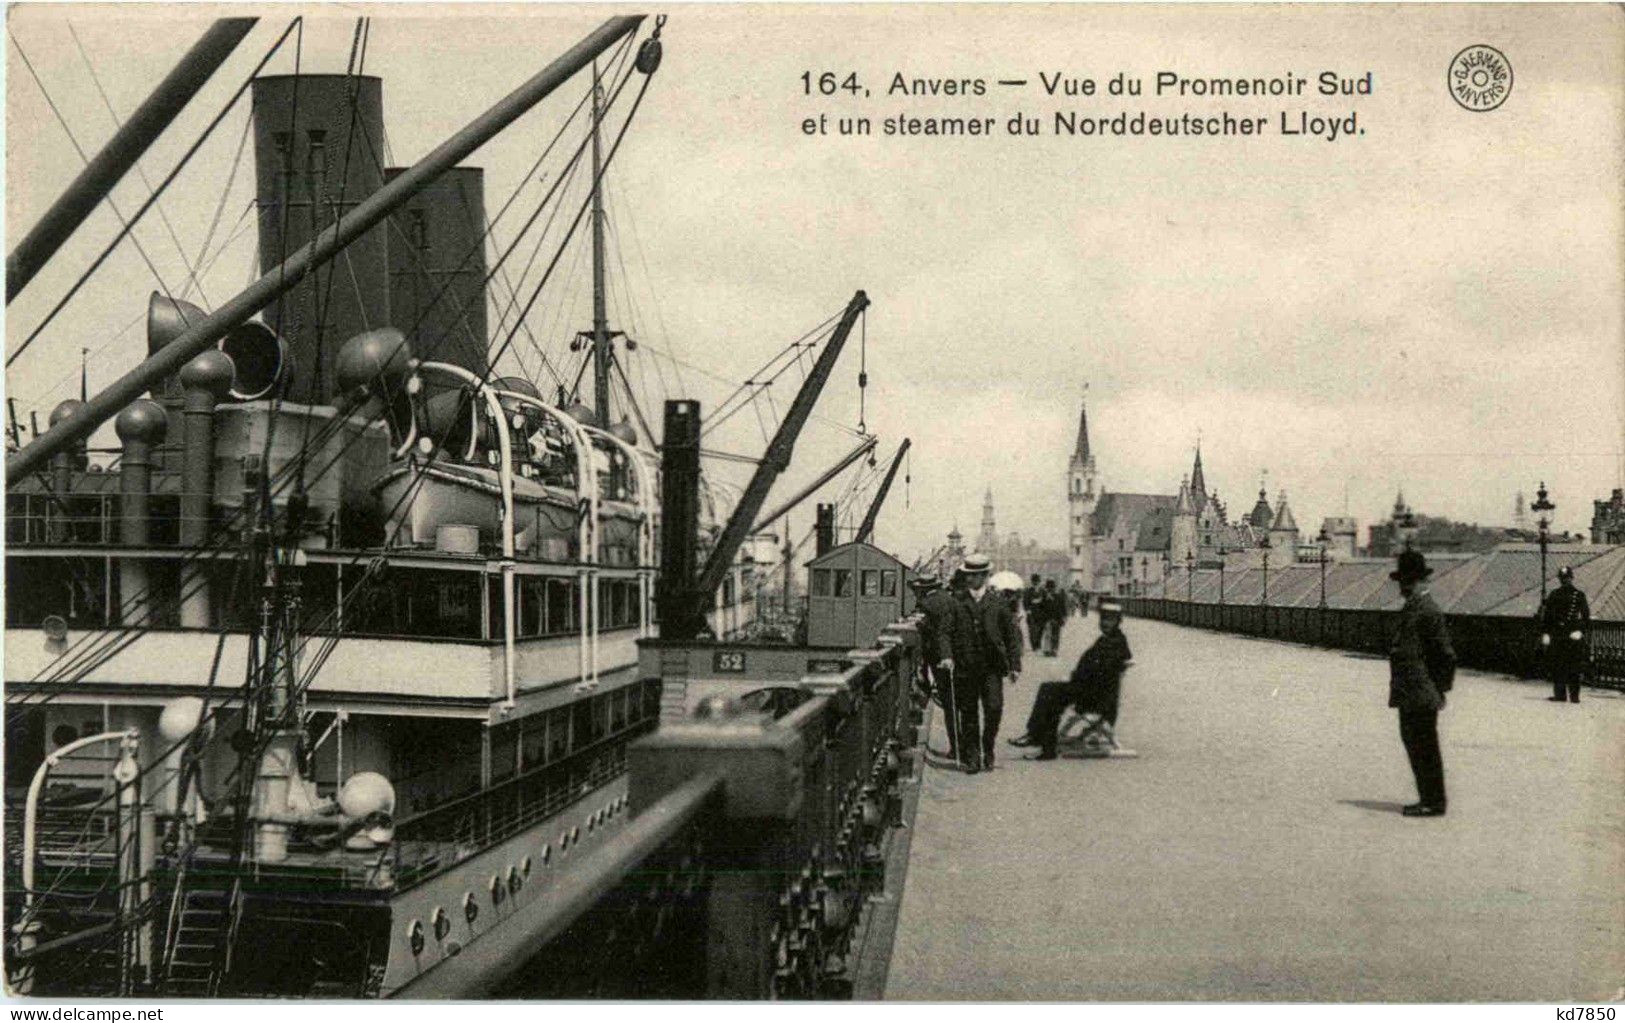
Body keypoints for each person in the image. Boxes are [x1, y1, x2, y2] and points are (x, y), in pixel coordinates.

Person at [1009, 597, 1133, 759]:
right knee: (1049, 689)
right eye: (1103, 619)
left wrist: (1076, 680)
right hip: (1091, 691)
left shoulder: (1115, 642)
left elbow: (1099, 670)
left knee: (1050, 693)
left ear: (1118, 621)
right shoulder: (1110, 639)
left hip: (1096, 697)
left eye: (1109, 620)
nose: (1104, 623)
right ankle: (1037, 737)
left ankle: (1043, 744)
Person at [1388, 549, 1456, 818]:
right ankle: (1428, 798)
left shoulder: (1428, 610)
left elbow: (1446, 655)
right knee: (1415, 743)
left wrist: (1439, 689)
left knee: (1424, 746)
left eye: (1407, 582)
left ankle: (1433, 801)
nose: (1403, 588)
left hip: (1421, 691)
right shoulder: (1415, 608)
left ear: (1418, 582)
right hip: (1411, 691)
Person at [946, 553, 1022, 773]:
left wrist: (1015, 665)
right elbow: (946, 632)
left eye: (975, 575)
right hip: (966, 666)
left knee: (994, 708)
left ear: (984, 576)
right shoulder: (957, 601)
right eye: (968, 575)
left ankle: (987, 747)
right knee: (968, 712)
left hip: (992, 668)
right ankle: (972, 757)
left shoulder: (998, 603)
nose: (970, 579)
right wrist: (947, 655)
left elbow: (1011, 636)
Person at [913, 569, 964, 761]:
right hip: (957, 656)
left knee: (949, 703)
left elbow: (929, 633)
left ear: (923, 589)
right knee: (957, 703)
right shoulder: (949, 599)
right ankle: (962, 746)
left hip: (940, 659)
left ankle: (957, 749)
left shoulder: (926, 604)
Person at [1538, 565, 1590, 703]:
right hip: (1558, 634)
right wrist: (1546, 633)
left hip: (1571, 634)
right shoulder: (1554, 594)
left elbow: (1585, 617)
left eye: (1567, 578)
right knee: (1558, 666)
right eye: (1563, 578)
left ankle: (1574, 696)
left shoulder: (1578, 595)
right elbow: (1547, 617)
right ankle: (1560, 695)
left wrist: (1580, 631)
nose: (1565, 580)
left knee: (1573, 666)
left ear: (1571, 578)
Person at [1023, 574, 1046, 652]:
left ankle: (1038, 644)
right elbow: (1025, 601)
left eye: (1037, 581)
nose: (1035, 583)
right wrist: (1028, 609)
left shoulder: (1043, 591)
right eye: (1034, 582)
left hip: (1041, 613)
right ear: (1032, 582)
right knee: (1032, 630)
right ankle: (1034, 645)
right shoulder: (1028, 590)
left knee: (1040, 630)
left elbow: (1045, 602)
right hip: (1031, 613)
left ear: (1039, 582)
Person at [1041, 579, 1065, 656]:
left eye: (1051, 588)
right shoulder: (1045, 597)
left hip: (1056, 618)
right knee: (1049, 634)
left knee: (1055, 634)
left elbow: (1062, 608)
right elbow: (1042, 608)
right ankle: (1048, 649)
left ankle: (1053, 650)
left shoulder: (1058, 596)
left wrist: (1062, 618)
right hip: (1048, 618)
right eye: (1049, 588)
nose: (1050, 589)